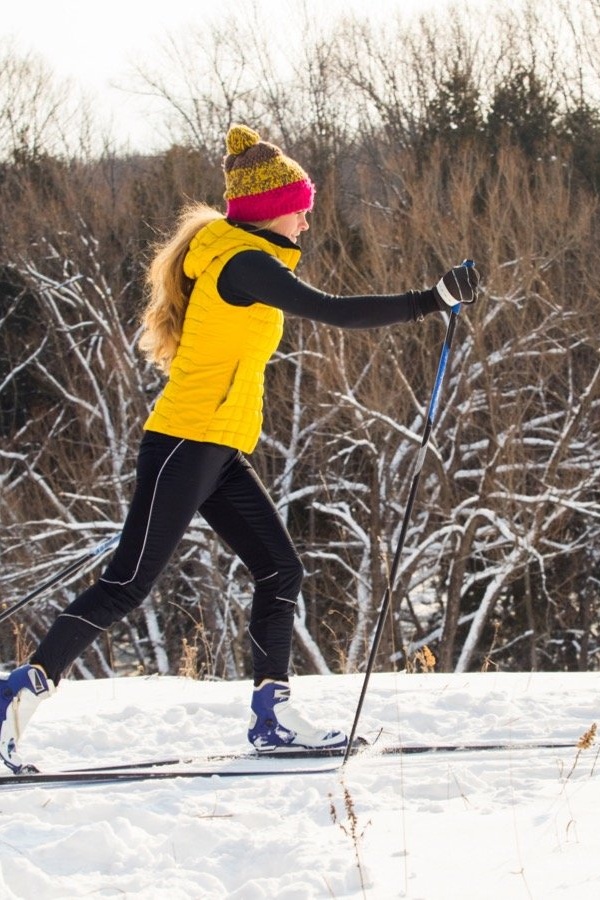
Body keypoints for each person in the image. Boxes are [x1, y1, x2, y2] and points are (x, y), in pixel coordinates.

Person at [0, 124, 480, 774]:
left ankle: (272, 717)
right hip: (185, 441)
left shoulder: (245, 257)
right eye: (301, 205)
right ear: (268, 209)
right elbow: (335, 311)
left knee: (280, 569)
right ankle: (13, 698)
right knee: (125, 586)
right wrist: (433, 300)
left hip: (218, 447)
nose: (308, 220)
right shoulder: (245, 264)